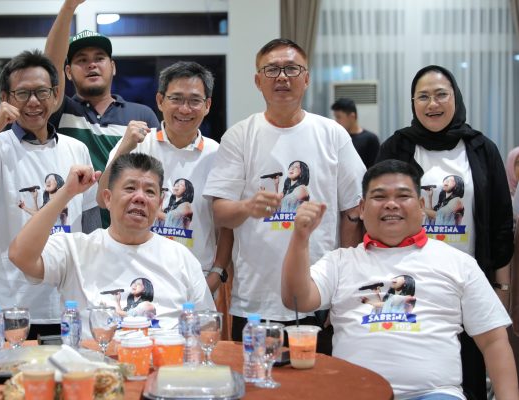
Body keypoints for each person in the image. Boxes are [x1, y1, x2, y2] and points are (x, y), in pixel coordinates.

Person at [281, 159, 518, 399]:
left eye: (403, 196)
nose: (391, 204)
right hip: (354, 393)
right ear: (362, 208)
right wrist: (300, 237)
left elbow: (494, 341)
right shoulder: (340, 262)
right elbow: (296, 299)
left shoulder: (458, 263)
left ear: (421, 206)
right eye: (379, 197)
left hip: (434, 394)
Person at [203, 38, 366, 342]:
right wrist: (247, 207)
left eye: (291, 69)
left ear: (307, 78)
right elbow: (220, 212)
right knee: (255, 373)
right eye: (272, 69)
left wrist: (344, 283)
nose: (282, 77)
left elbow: (354, 211)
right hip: (255, 298)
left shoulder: (332, 134)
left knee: (320, 375)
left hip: (320, 292)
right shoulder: (240, 135)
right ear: (258, 81)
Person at [376, 65, 514, 400]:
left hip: (469, 282)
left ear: (455, 98)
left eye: (441, 94)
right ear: (413, 102)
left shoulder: (481, 148)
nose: (432, 104)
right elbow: (378, 212)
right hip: (411, 281)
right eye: (423, 96)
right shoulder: (396, 147)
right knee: (413, 371)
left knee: (469, 373)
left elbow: (500, 223)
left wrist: (502, 287)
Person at [0, 50, 100, 339]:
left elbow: (90, 225)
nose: (33, 101)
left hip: (68, 302)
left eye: (42, 92)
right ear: (5, 98)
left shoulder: (76, 149)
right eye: (22, 93)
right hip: (12, 303)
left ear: (55, 95)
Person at [8, 153, 215, 335]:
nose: (140, 198)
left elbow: (208, 327)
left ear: (160, 203)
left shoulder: (182, 258)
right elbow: (20, 256)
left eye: (150, 192)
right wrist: (66, 193)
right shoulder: (75, 249)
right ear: (107, 198)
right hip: (92, 364)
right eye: (130, 188)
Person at [95, 61, 233, 293]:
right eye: (176, 99)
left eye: (194, 101)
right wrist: (125, 148)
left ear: (207, 105)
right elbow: (102, 198)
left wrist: (217, 274)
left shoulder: (218, 154)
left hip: (196, 278)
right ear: (160, 101)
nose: (185, 109)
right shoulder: (137, 143)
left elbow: (226, 224)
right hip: (135, 273)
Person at [45, 0, 159, 226]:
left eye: (99, 58)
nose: (92, 65)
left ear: (113, 67)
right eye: (82, 60)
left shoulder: (142, 115)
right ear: (68, 72)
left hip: (129, 232)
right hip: (73, 231)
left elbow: (157, 176)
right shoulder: (59, 110)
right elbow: (50, 67)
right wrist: (68, 8)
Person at [331, 98, 380, 168]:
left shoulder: (370, 139)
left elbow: (375, 168)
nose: (336, 121)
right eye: (335, 117)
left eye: (339, 117)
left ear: (352, 116)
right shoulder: (336, 138)